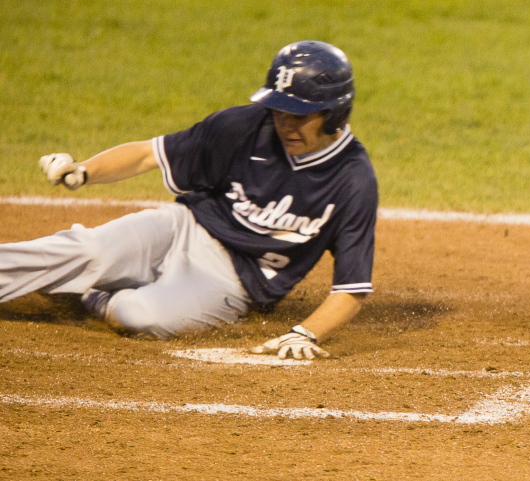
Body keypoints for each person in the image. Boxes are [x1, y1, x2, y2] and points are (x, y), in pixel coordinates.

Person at [0, 41, 377, 360]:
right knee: (87, 249)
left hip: (233, 282)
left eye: (301, 115)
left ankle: (92, 291)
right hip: (184, 227)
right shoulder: (244, 126)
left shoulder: (353, 180)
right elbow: (149, 154)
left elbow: (351, 289)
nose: (285, 124)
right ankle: (85, 272)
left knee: (138, 315)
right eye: (279, 110)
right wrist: (85, 171)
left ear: (335, 112)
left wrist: (306, 332)